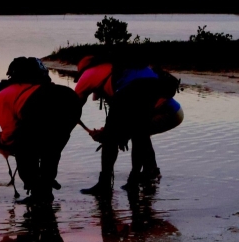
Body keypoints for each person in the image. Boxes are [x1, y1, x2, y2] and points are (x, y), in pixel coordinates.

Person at [75, 54, 183, 195]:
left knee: (110, 140)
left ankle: (105, 184)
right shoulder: (116, 67)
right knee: (140, 133)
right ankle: (133, 181)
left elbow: (73, 105)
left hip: (131, 89)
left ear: (82, 70)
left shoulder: (88, 75)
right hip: (153, 87)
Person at [0, 57, 82, 204]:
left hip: (38, 105)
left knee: (24, 152)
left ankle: (39, 192)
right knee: (51, 150)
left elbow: (11, 133)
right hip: (70, 99)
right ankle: (46, 187)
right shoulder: (31, 86)